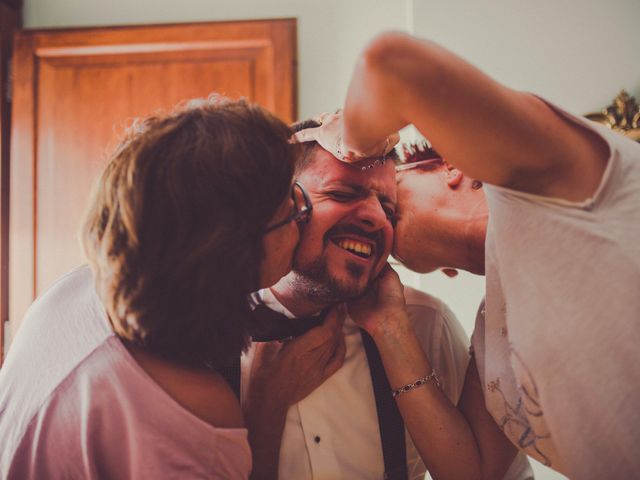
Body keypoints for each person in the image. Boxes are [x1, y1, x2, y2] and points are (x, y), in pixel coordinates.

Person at [296, 31, 640, 479]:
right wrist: (389, 327)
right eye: (351, 196)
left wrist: (355, 155)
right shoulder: (492, 334)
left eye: (385, 196)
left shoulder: (544, 180)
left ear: (453, 164)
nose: (370, 218)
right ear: (447, 271)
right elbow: (473, 473)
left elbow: (390, 63)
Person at [0, 97, 346, 479]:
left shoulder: (76, 289)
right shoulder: (195, 413)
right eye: (291, 210)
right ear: (233, 252)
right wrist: (267, 408)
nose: (304, 216)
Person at [242, 118, 530, 480]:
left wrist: (392, 330)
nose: (378, 219)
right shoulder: (194, 332)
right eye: (343, 194)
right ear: (281, 205)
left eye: (391, 210)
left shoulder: (426, 325)